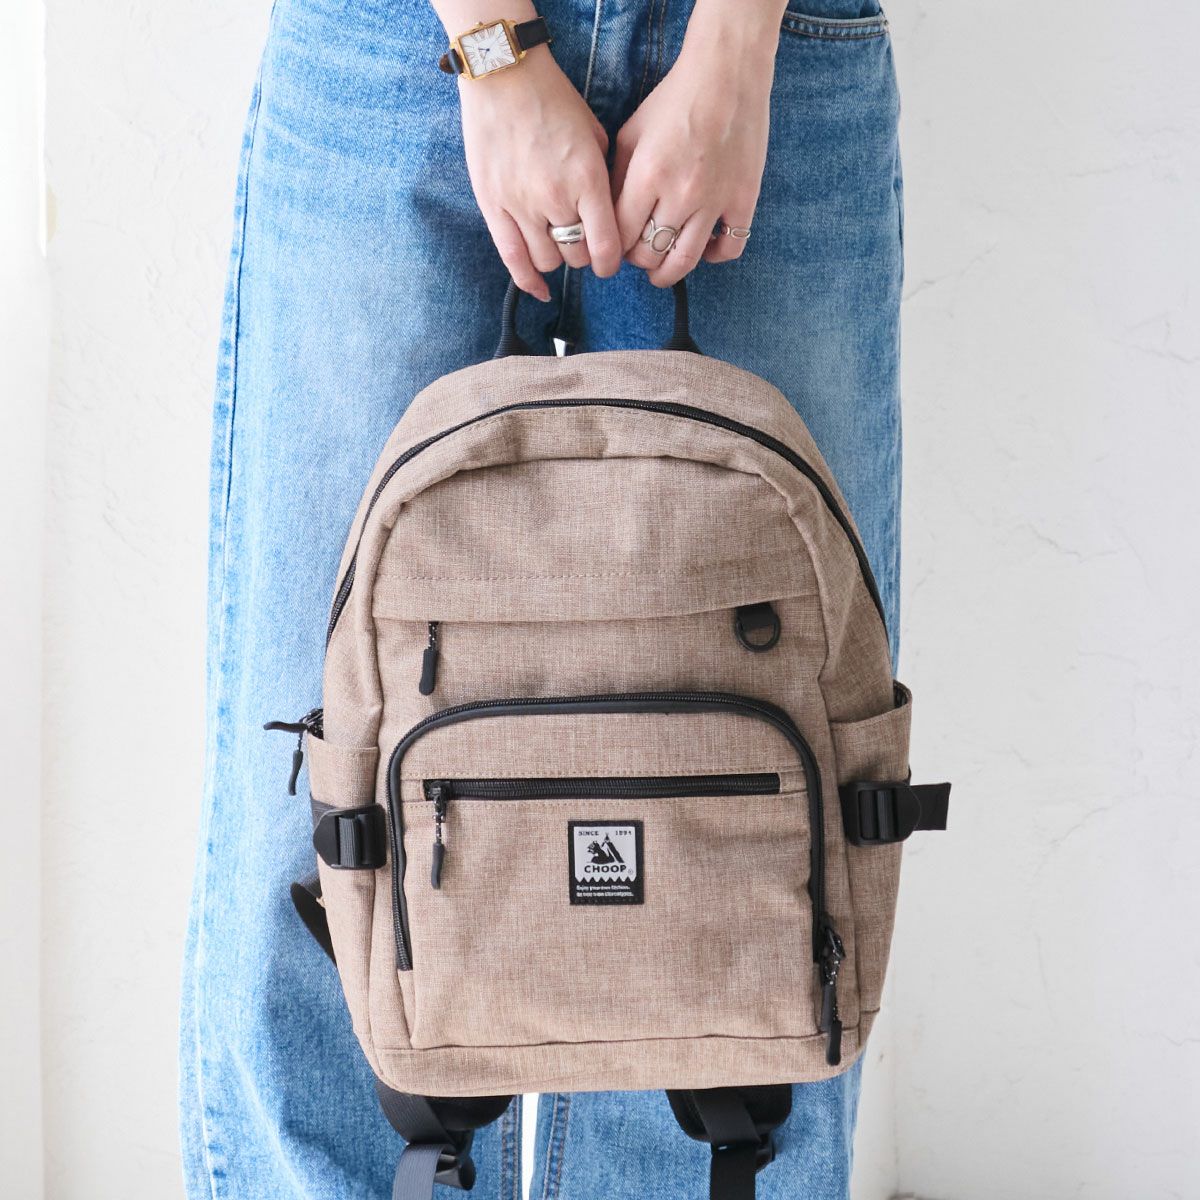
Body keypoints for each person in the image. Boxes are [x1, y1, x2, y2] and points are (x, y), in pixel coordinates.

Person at [180, 1, 903, 1196]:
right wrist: (493, 48)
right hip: (399, 46)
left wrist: (734, 46)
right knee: (322, 813)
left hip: (763, 55)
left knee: (768, 852)